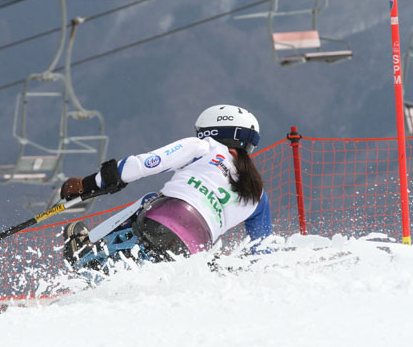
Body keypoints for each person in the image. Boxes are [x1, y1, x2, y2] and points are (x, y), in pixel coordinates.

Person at [60, 104, 273, 269]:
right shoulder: (258, 195)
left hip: (161, 220)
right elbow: (262, 252)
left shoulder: (205, 147)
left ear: (213, 131)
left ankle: (87, 251)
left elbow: (141, 164)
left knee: (149, 199)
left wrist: (86, 184)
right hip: (194, 251)